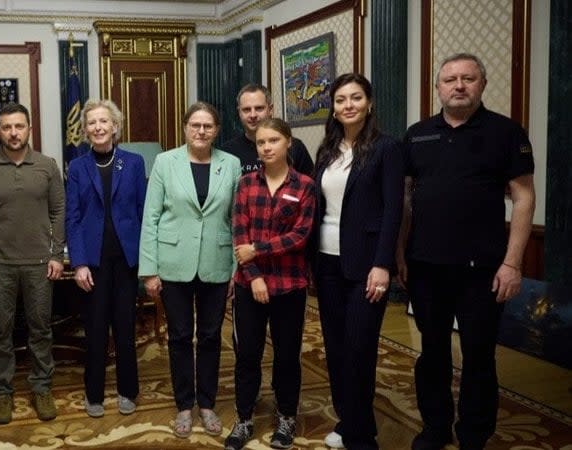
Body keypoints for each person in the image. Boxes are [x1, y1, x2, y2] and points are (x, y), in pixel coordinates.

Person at [398, 53, 535, 450]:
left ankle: (474, 434)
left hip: (484, 269)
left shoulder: (506, 132)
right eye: (450, 79)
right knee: (432, 352)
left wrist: (512, 263)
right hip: (425, 267)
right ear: (438, 87)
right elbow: (406, 199)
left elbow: (524, 198)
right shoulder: (417, 134)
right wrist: (400, 253)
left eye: (468, 78)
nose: (459, 85)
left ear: (482, 84)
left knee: (478, 355)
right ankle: (435, 428)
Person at [311, 73, 404, 450]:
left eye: (355, 98)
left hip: (366, 266)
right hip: (327, 264)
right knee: (334, 348)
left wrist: (383, 264)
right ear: (333, 107)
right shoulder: (327, 151)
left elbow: (393, 210)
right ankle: (348, 420)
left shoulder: (387, 148)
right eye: (340, 100)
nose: (347, 105)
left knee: (359, 347)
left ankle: (363, 435)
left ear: (369, 103)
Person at [138, 101, 240, 439]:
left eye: (207, 126)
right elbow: (150, 217)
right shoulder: (165, 162)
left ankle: (207, 403)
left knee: (211, 336)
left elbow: (238, 220)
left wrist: (236, 268)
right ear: (185, 128)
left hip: (217, 261)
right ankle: (184, 405)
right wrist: (150, 270)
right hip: (173, 263)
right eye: (195, 125)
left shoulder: (232, 164)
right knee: (180, 336)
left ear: (217, 130)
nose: (201, 131)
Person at [0, 102, 66, 425]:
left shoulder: (48, 166)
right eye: (7, 127)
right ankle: (2, 392)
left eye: (19, 126)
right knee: (0, 331)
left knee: (40, 328)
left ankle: (41, 387)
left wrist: (55, 254)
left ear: (29, 129)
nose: (13, 133)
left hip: (40, 263)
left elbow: (58, 212)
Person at [223, 118, 317, 450]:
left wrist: (259, 250)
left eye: (273, 140)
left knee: (288, 355)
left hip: (290, 285)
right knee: (247, 355)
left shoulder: (304, 185)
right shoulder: (246, 183)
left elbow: (301, 235)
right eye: (262, 142)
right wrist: (256, 276)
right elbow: (239, 233)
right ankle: (244, 418)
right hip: (250, 285)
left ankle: (286, 416)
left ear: (288, 142)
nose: (266, 147)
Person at [66, 99, 147, 418]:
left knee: (126, 327)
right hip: (93, 261)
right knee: (96, 328)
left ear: (115, 125)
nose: (98, 127)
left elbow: (144, 212)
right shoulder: (76, 167)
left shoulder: (135, 162)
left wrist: (147, 260)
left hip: (126, 258)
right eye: (92, 123)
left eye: (104, 121)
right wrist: (80, 262)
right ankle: (94, 393)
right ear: (85, 130)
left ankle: (128, 391)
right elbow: (72, 217)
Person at [221, 84, 314, 176]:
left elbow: (310, 186)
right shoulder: (227, 152)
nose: (253, 115)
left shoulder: (294, 147)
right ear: (239, 113)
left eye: (259, 108)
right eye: (246, 110)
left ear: (270, 110)